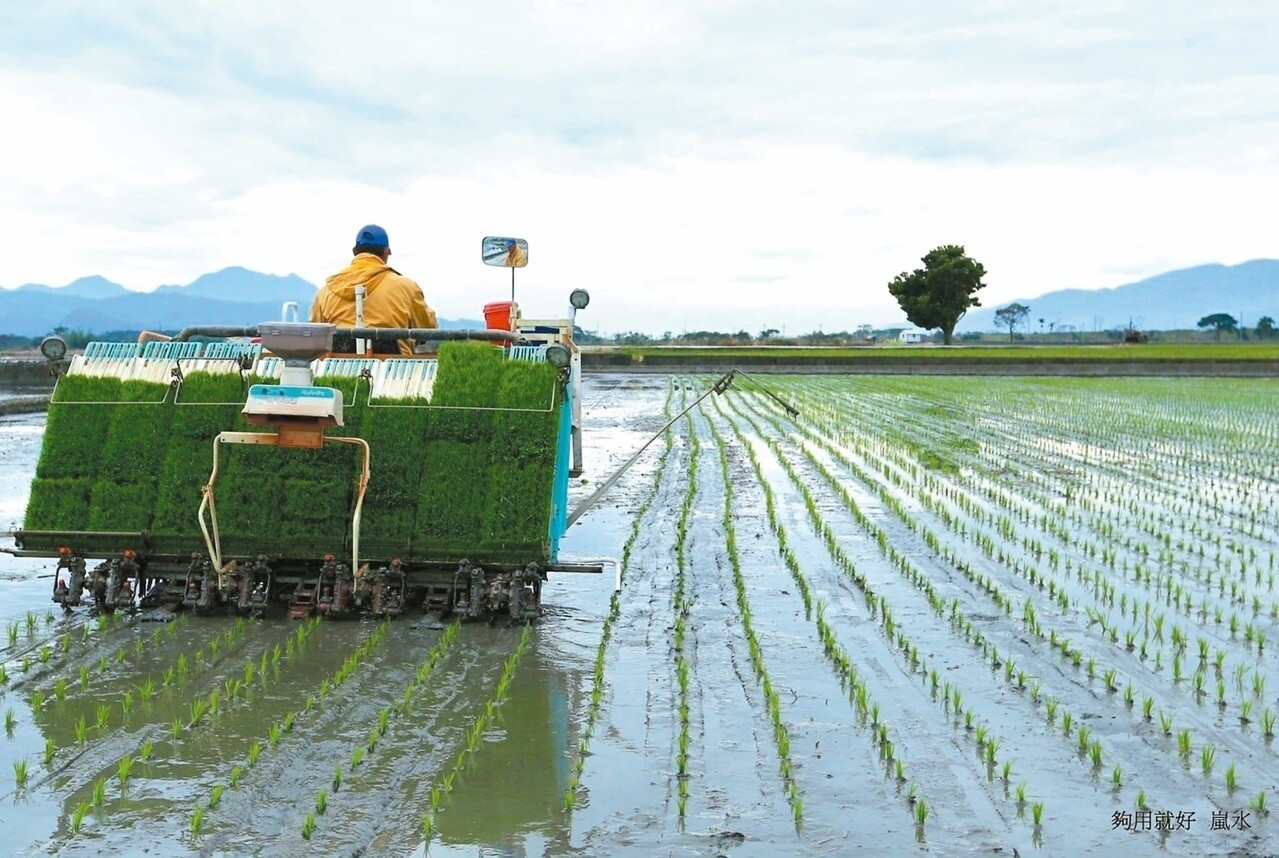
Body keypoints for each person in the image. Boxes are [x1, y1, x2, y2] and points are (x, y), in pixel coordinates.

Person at [310, 224, 438, 355]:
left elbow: (314, 334)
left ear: (355, 252)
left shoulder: (326, 291)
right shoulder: (406, 287)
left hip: (338, 371)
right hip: (396, 371)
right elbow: (427, 328)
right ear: (386, 252)